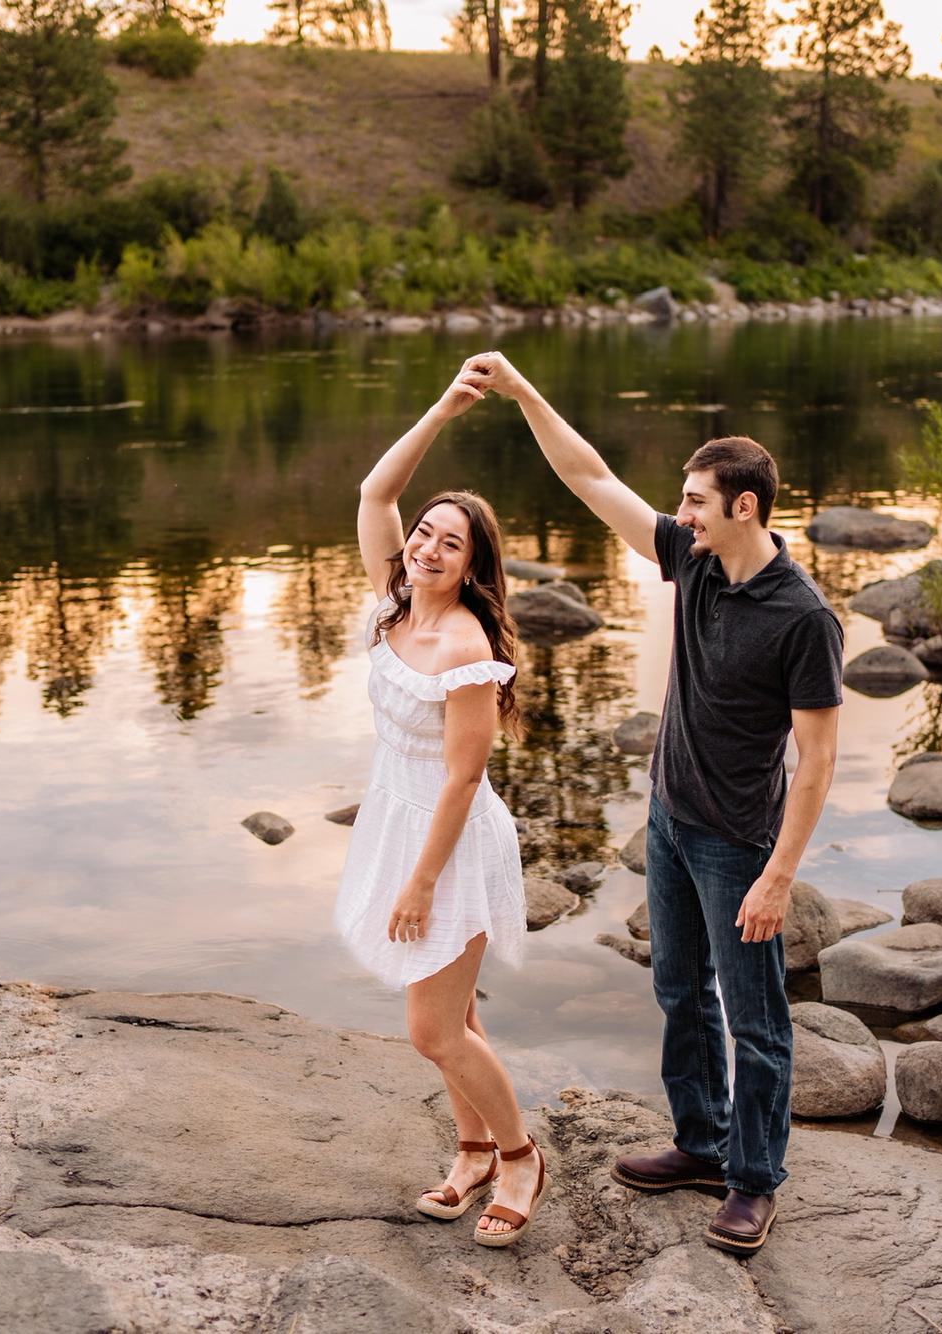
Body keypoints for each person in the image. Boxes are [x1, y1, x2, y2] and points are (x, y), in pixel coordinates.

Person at [460, 351, 843, 1257]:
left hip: (739, 843)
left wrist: (779, 875)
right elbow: (591, 478)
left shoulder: (804, 617)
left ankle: (754, 1181)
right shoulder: (695, 558)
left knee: (756, 1021)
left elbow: (819, 761)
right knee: (678, 989)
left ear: (744, 507)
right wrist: (523, 390)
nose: (681, 512)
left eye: (696, 499)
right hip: (669, 820)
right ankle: (702, 1144)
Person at [333, 362, 547, 1247]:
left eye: (450, 544)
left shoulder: (464, 647)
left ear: (472, 566)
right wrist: (444, 409)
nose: (426, 547)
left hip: (449, 840)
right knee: (454, 1016)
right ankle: (472, 1150)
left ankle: (521, 1156)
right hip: (399, 817)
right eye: (424, 533)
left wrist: (420, 883)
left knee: (431, 1031)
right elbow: (374, 490)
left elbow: (462, 779)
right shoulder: (393, 607)